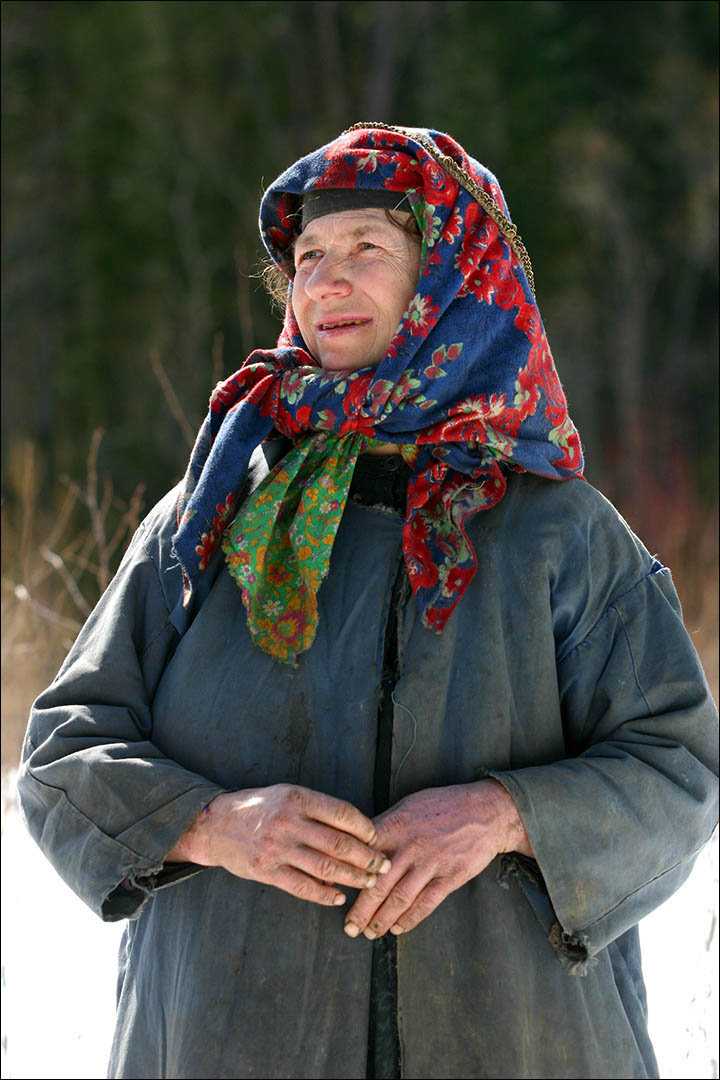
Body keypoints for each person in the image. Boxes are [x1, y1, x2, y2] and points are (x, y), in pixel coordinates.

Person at [18, 123, 718, 1080]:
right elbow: (66, 748)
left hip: (519, 1043)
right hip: (226, 1040)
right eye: (306, 258)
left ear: (448, 278)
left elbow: (677, 768)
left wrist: (505, 815)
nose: (325, 282)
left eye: (367, 251)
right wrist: (217, 824)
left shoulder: (562, 532)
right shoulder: (217, 508)